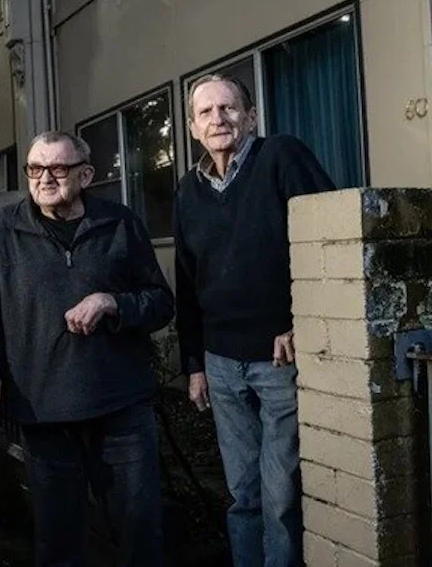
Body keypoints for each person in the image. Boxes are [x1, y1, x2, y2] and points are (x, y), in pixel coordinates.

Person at [0, 131, 174, 567]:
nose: (44, 178)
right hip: (45, 415)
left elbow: (161, 302)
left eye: (58, 168)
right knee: (57, 545)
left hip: (121, 410)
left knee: (141, 536)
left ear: (86, 174)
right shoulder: (4, 231)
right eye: (35, 169)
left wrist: (112, 302)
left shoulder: (120, 223)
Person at [173, 75, 336, 567]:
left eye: (229, 108)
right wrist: (194, 363)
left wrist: (302, 322)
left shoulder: (281, 157)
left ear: (251, 115)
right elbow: (186, 282)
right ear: (192, 127)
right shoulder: (188, 190)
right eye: (206, 113)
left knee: (281, 492)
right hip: (221, 365)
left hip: (277, 358)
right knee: (242, 494)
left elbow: (329, 239)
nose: (218, 119)